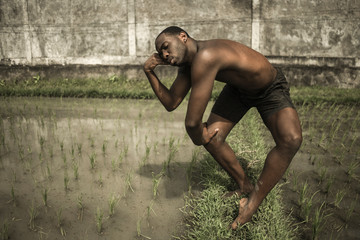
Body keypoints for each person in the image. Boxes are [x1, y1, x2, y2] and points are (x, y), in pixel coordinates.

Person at [143, 26, 302, 229]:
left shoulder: (207, 55)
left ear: (183, 37)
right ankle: (244, 185)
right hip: (238, 91)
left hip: (269, 88)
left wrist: (197, 135)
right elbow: (171, 102)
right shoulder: (188, 65)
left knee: (291, 140)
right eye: (161, 53)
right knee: (213, 138)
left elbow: (192, 123)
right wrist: (149, 72)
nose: (165, 55)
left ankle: (252, 204)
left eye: (166, 47)